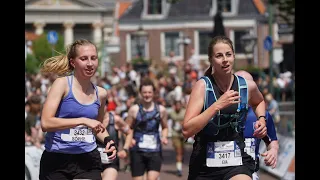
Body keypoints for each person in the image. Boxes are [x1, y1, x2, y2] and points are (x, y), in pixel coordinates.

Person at [182, 35, 267, 180]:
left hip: (236, 160)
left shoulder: (246, 86)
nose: (225, 60)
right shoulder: (203, 87)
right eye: (219, 56)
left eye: (228, 54)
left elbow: (259, 101)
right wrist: (216, 106)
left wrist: (262, 119)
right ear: (211, 60)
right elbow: (186, 130)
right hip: (204, 162)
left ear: (234, 56)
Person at [39, 39, 117, 180]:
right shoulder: (62, 84)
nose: (90, 63)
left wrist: (108, 140)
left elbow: (97, 127)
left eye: (93, 58)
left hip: (87, 158)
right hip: (58, 159)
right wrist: (83, 121)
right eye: (83, 59)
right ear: (73, 62)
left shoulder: (101, 93)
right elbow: (45, 123)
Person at [235, 70, 279, 180]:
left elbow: (272, 140)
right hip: (221, 171)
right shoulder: (219, 111)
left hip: (250, 171)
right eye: (241, 85)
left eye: (248, 85)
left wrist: (273, 151)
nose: (245, 90)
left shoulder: (262, 115)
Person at [126, 78, 169, 180]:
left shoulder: (161, 110)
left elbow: (165, 127)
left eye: (149, 92)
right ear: (140, 93)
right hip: (137, 150)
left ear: (154, 93)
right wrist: (130, 139)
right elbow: (127, 128)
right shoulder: (134, 110)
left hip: (155, 150)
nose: (147, 95)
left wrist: (164, 137)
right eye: (144, 92)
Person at [97, 108, 134, 180]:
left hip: (110, 163)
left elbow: (129, 132)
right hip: (93, 163)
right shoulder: (89, 120)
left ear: (106, 105)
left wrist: (125, 149)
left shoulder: (115, 120)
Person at [168, 100, 186, 177]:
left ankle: (180, 161)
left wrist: (183, 123)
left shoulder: (184, 111)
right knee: (178, 152)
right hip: (175, 134)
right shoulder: (171, 113)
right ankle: (179, 170)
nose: (178, 107)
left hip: (183, 134)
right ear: (175, 106)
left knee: (182, 152)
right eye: (176, 105)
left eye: (179, 105)